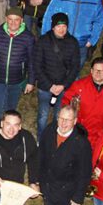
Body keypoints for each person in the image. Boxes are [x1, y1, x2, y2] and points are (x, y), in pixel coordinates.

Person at [36, 105, 92, 205]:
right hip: (48, 185)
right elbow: (40, 156)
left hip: (67, 189)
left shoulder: (81, 143)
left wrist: (78, 195)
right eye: (61, 118)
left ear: (75, 121)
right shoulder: (49, 131)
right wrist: (37, 180)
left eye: (68, 119)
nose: (64, 122)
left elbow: (84, 172)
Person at [0, 7, 35, 130]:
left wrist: (31, 81)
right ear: (6, 19)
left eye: (16, 20)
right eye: (10, 19)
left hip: (16, 81)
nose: (13, 23)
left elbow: (32, 60)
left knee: (10, 111)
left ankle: (7, 136)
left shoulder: (28, 37)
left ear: (22, 20)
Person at [41, 0, 103, 70]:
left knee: (74, 74)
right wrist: (46, 37)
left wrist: (92, 40)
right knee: (55, 71)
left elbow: (99, 21)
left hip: (81, 44)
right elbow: (49, 15)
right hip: (60, 41)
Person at [33, 12, 80, 140]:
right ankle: (40, 139)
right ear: (53, 27)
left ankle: (55, 139)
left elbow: (75, 67)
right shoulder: (43, 41)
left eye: (64, 26)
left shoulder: (73, 43)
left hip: (63, 88)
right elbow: (37, 65)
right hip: (45, 87)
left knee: (59, 116)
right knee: (43, 115)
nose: (61, 29)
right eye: (58, 26)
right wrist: (50, 86)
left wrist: (64, 85)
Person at [62, 57, 103, 141]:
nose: (98, 73)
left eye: (101, 71)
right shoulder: (78, 86)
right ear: (91, 71)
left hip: (101, 133)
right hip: (80, 131)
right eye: (95, 70)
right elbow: (65, 102)